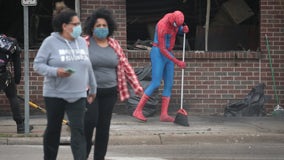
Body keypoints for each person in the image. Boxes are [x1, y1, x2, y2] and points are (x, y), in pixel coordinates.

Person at [33, 8, 97, 160]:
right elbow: (38, 65)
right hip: (55, 94)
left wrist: (93, 88)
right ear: (64, 26)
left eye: (79, 23)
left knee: (79, 131)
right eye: (75, 24)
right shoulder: (50, 42)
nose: (78, 27)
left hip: (78, 94)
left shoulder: (81, 42)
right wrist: (56, 71)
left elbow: (87, 66)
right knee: (53, 130)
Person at [83, 8, 144, 160]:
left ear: (109, 27)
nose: (102, 28)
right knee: (89, 122)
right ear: (92, 27)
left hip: (110, 92)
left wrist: (137, 87)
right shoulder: (84, 43)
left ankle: (99, 157)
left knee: (103, 128)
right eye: (98, 26)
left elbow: (126, 66)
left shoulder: (114, 44)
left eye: (105, 25)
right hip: (90, 92)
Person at [132, 10, 189, 122]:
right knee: (156, 82)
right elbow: (162, 49)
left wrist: (183, 30)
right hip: (158, 52)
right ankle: (138, 110)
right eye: (176, 25)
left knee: (169, 84)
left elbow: (176, 29)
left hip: (169, 53)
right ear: (172, 21)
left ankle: (164, 114)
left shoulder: (175, 23)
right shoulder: (162, 26)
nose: (176, 27)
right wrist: (177, 61)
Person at [0, 34, 33, 133]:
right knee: (12, 97)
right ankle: (21, 126)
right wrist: (17, 80)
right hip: (3, 73)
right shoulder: (12, 44)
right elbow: (17, 65)